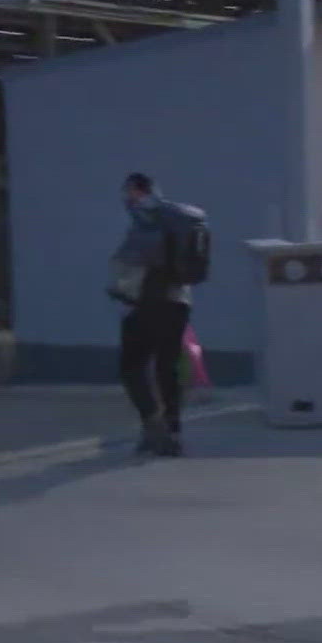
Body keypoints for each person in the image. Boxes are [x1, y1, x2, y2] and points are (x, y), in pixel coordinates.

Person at [110, 172, 196, 457]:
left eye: (128, 192)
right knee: (167, 366)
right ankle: (172, 430)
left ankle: (152, 423)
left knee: (132, 366)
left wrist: (119, 288)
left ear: (136, 191)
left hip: (143, 305)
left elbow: (130, 264)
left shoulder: (143, 220)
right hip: (178, 302)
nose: (125, 198)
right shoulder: (179, 219)